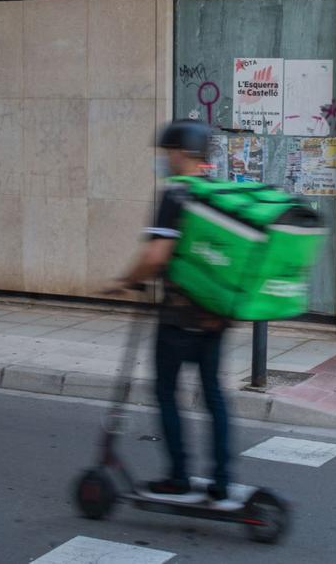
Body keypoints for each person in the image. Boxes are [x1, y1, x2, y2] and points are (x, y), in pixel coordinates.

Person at [108, 120, 232, 500]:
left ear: (181, 153)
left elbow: (156, 254)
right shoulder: (214, 192)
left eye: (167, 152)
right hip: (214, 314)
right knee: (213, 395)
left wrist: (128, 280)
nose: (164, 159)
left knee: (166, 391)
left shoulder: (176, 195)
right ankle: (222, 481)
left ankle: (179, 475)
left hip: (179, 318)